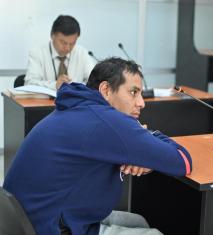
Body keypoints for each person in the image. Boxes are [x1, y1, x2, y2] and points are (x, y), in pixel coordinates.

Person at [3, 57, 192, 235]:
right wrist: (148, 135)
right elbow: (183, 161)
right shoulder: (108, 122)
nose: (141, 103)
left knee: (140, 221)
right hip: (54, 228)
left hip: (29, 217)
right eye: (133, 92)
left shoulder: (77, 106)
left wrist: (141, 152)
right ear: (106, 90)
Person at [24, 15, 95, 90]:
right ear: (52, 35)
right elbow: (29, 83)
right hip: (45, 101)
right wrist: (54, 85)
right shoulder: (37, 53)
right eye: (63, 42)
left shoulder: (82, 53)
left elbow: (95, 81)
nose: (68, 48)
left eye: (72, 43)